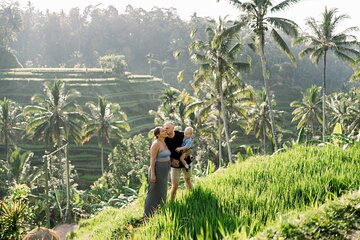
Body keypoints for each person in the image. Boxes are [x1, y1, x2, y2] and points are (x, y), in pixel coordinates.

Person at [143, 127, 171, 217]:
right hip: (157, 170)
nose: (165, 131)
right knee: (153, 191)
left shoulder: (164, 142)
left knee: (162, 191)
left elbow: (166, 156)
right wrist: (153, 175)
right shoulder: (156, 144)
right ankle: (147, 214)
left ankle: (160, 210)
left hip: (164, 171)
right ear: (158, 134)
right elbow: (152, 159)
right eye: (163, 131)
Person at [164, 122, 192, 201]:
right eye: (164, 128)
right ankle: (171, 202)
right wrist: (172, 160)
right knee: (175, 185)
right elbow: (163, 153)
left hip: (186, 161)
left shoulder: (181, 135)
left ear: (173, 128)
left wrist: (186, 154)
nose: (165, 130)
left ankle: (192, 196)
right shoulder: (165, 139)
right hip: (174, 165)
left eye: (167, 128)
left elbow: (190, 147)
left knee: (188, 180)